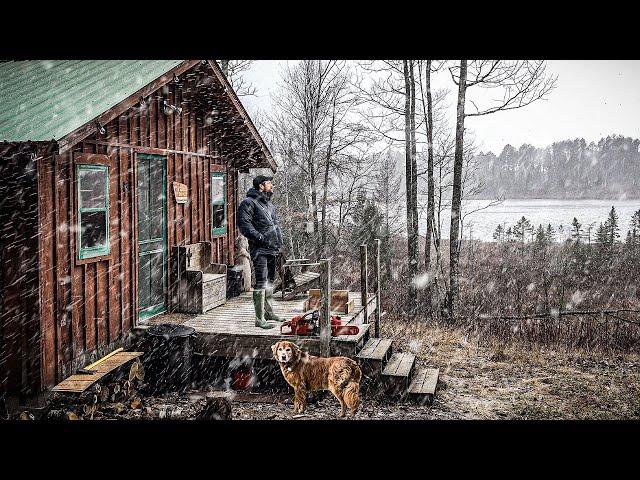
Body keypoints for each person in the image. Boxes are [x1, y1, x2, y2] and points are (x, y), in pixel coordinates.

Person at [237, 175, 286, 329]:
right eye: (269, 183)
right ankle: (259, 319)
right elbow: (244, 225)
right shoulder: (248, 203)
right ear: (260, 186)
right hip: (259, 249)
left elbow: (275, 225)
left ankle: (269, 312)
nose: (272, 185)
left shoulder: (269, 205)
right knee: (261, 281)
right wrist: (260, 237)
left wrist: (279, 242)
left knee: (270, 281)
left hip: (273, 248)